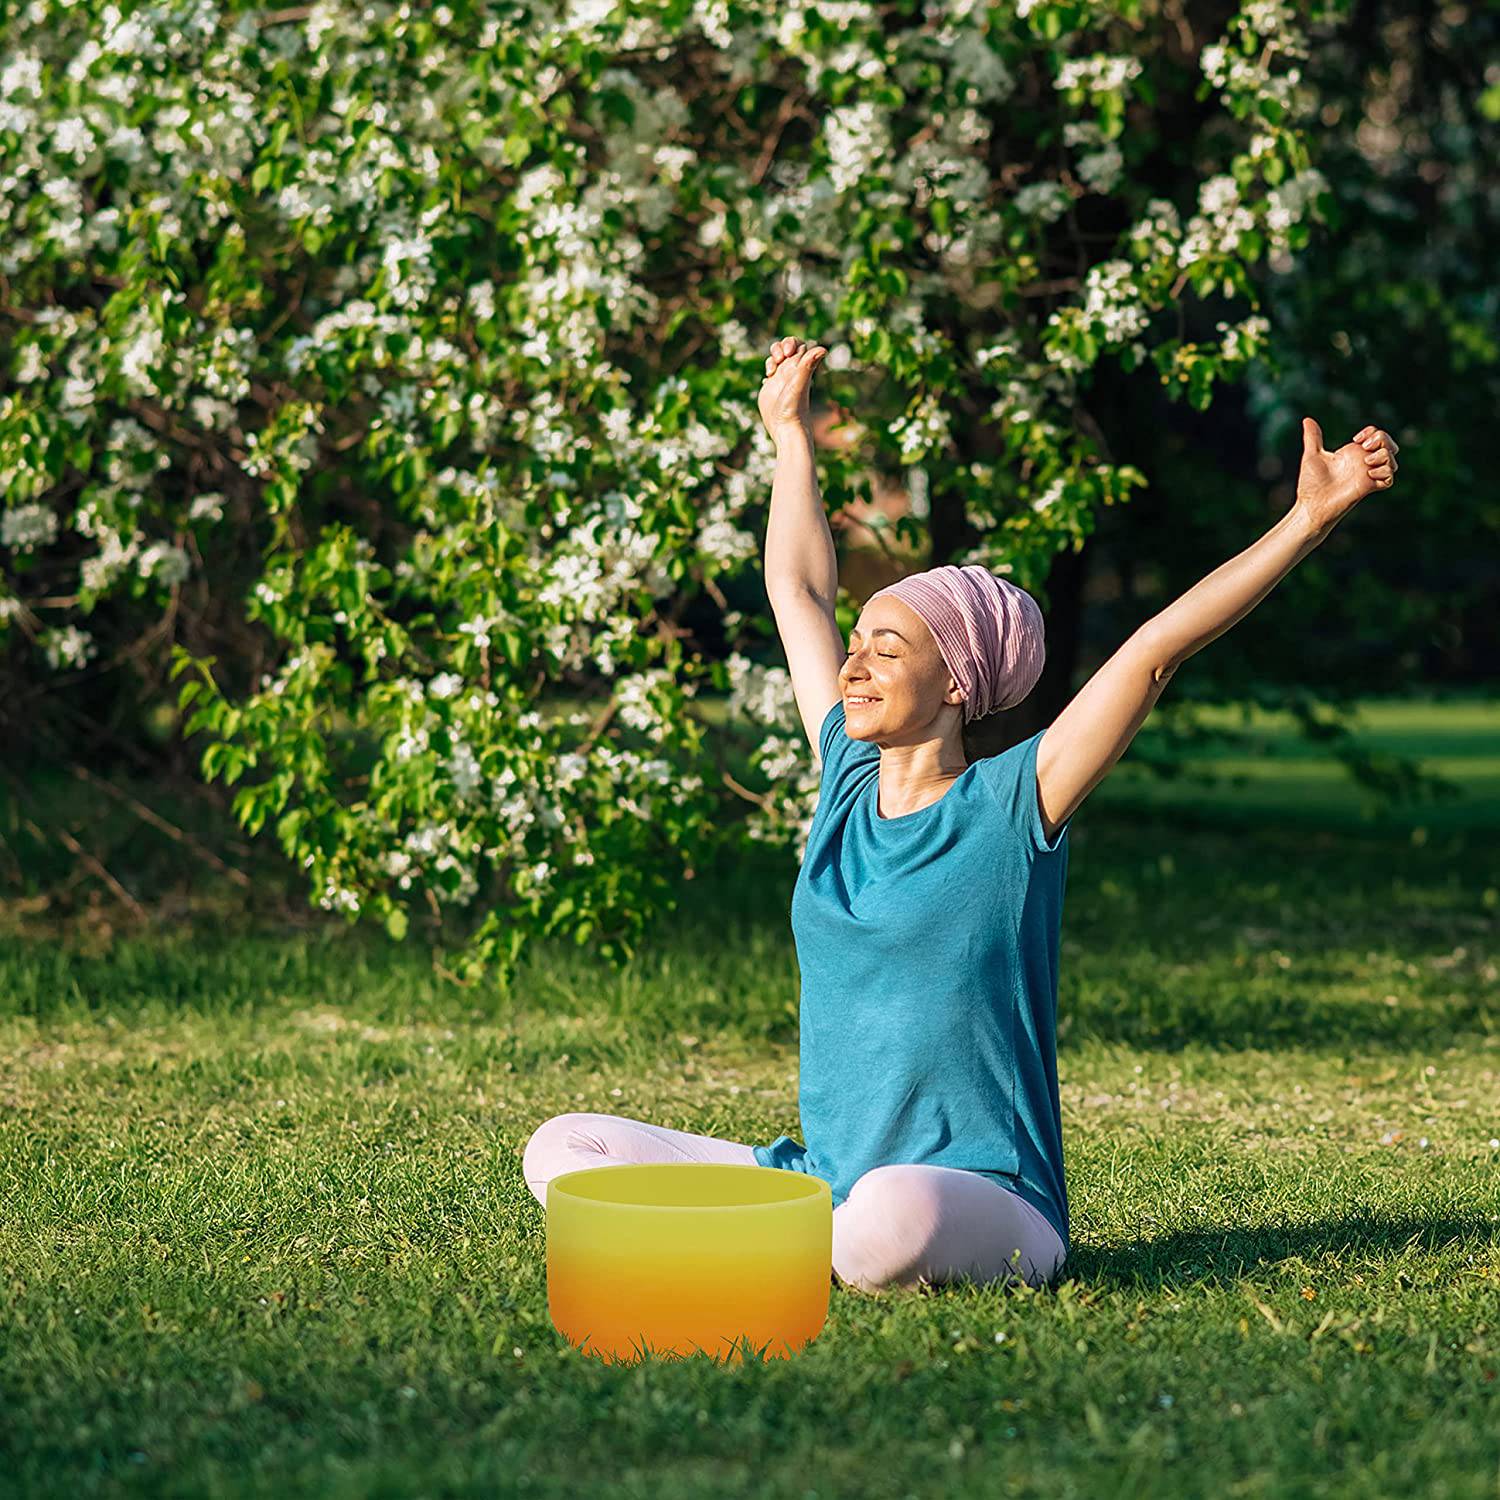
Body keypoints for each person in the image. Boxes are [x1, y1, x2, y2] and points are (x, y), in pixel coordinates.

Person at [522, 335, 1400, 1296]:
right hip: (824, 1187)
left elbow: (1153, 652)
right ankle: (788, 1242)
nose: (853, 664)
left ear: (956, 682)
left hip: (985, 1201)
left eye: (887, 649)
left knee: (895, 1219)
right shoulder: (846, 780)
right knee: (566, 1147)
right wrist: (790, 438)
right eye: (855, 644)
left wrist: (1307, 522)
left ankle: (733, 1253)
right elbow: (799, 590)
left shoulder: (1014, 804)